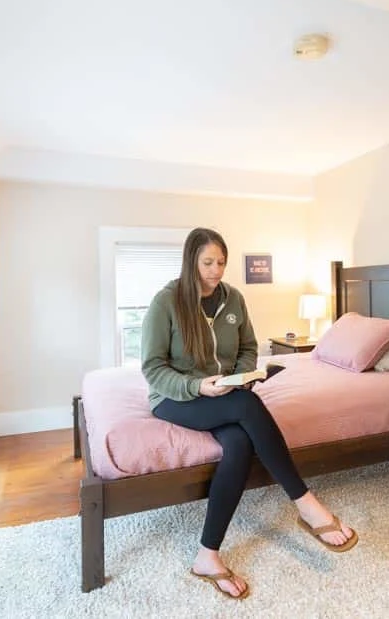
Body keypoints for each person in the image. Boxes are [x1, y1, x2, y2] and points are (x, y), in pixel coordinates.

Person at [140, 227, 357, 600]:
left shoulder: (234, 299)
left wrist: (238, 376)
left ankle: (207, 556)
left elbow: (248, 347)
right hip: (175, 397)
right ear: (191, 259)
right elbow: (153, 368)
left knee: (239, 443)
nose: (216, 269)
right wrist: (198, 386)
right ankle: (306, 504)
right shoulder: (167, 302)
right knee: (247, 406)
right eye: (208, 262)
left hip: (222, 391)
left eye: (221, 262)